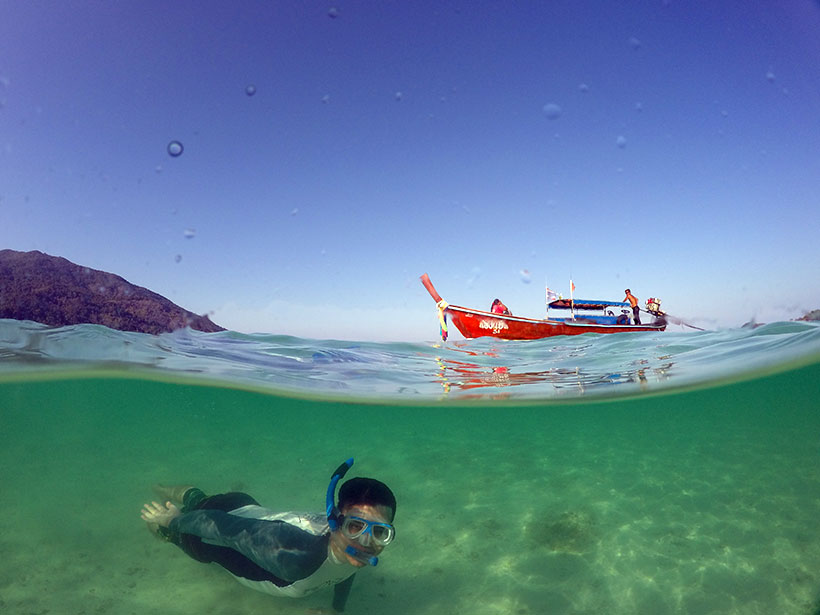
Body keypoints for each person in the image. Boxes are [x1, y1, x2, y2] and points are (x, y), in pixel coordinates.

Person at [140, 458, 396, 613]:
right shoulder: (295, 558)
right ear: (334, 521)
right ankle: (155, 495)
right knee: (162, 528)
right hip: (204, 536)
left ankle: (169, 490)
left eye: (380, 532)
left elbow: (346, 571)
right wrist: (173, 522)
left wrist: (336, 610)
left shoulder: (356, 550)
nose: (366, 541)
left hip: (243, 505)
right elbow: (225, 528)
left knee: (197, 497)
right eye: (355, 527)